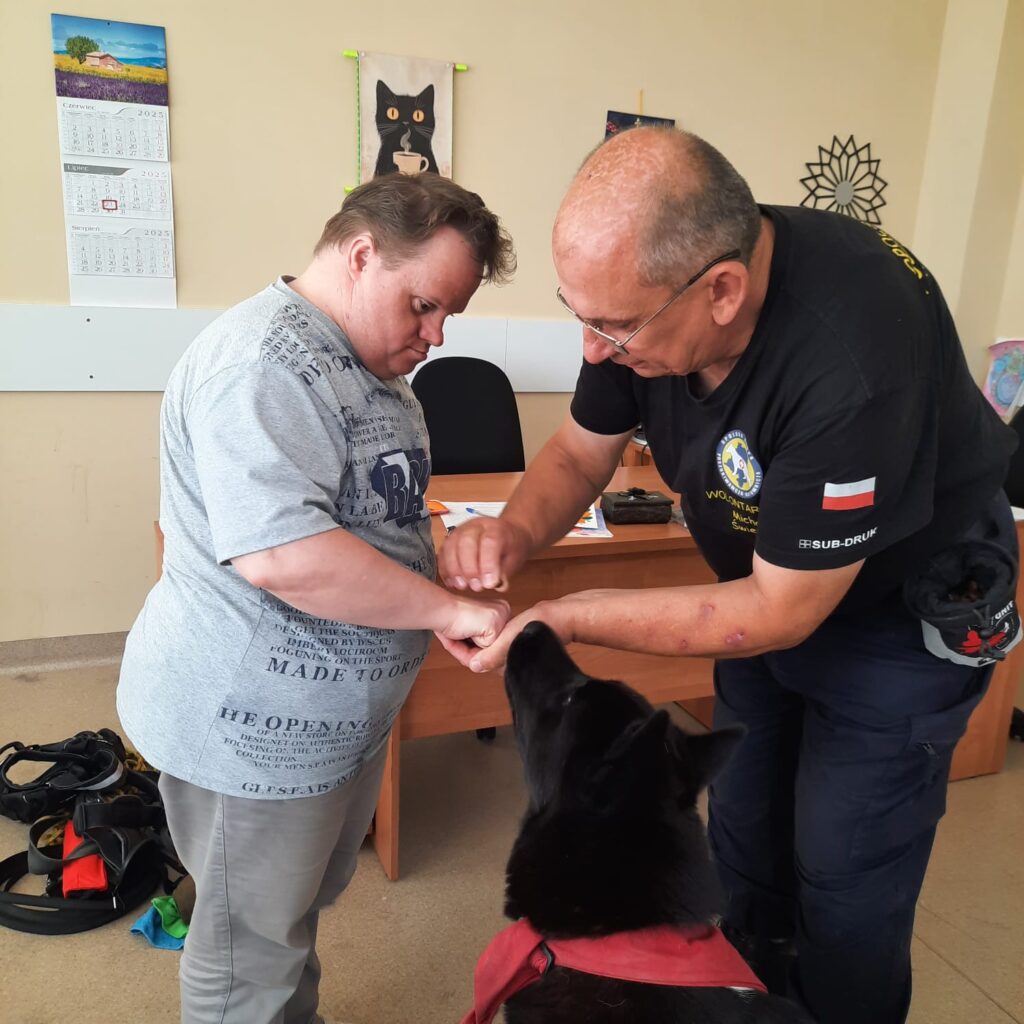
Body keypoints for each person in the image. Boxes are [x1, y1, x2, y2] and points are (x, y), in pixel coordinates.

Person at [438, 127, 1018, 1024]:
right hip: (756, 589)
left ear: (721, 291)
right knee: (743, 836)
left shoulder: (853, 352)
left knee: (844, 878)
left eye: (614, 327)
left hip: (893, 613)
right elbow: (581, 453)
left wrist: (570, 614)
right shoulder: (641, 306)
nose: (593, 349)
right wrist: (511, 532)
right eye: (577, 314)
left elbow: (782, 610)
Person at [117, 172, 516, 1024]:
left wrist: (440, 560)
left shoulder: (369, 364)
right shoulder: (261, 364)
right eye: (424, 305)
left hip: (331, 722)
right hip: (251, 731)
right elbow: (283, 555)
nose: (437, 335)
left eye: (449, 314)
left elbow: (373, 515)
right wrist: (445, 611)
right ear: (362, 255)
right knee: (246, 956)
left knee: (286, 922)